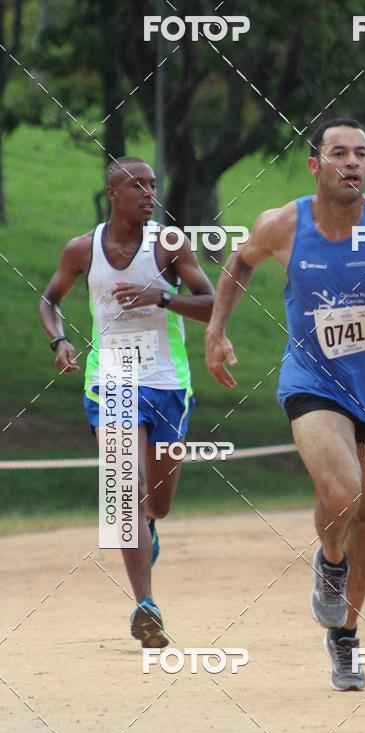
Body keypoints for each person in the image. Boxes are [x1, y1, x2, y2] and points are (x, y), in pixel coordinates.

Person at [205, 118, 365, 691]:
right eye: (338, 153)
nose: (351, 162)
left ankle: (345, 637)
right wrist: (216, 330)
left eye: (361, 153)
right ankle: (329, 564)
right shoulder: (283, 225)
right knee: (342, 490)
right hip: (312, 379)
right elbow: (239, 261)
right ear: (316, 166)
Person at [39, 156, 214, 649]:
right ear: (112, 193)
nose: (148, 193)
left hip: (166, 381)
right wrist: (59, 341)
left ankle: (151, 525)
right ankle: (146, 605)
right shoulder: (81, 249)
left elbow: (211, 303)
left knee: (157, 500)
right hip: (110, 379)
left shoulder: (169, 245)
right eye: (137, 185)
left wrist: (160, 298)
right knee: (124, 486)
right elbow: (49, 300)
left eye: (154, 185)